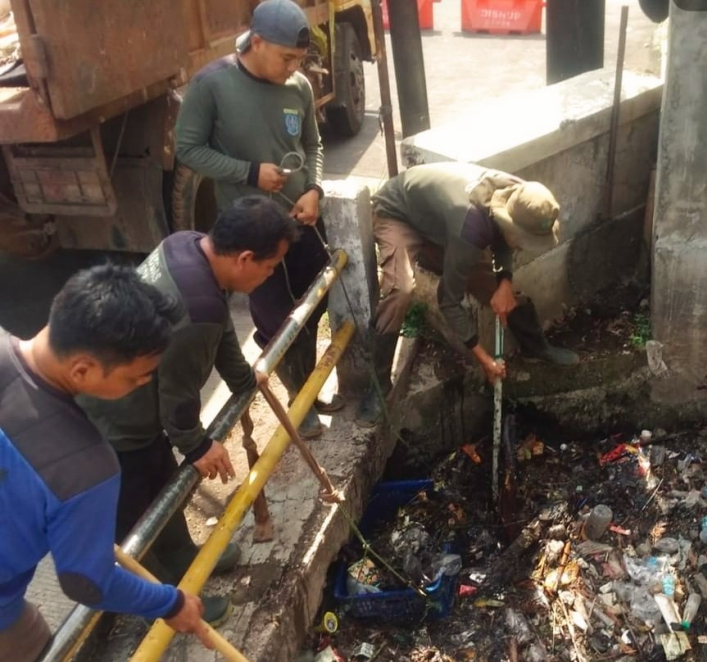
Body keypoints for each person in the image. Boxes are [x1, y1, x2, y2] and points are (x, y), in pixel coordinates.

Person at [79, 196, 298, 625]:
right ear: (245, 258)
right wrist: (198, 445)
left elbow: (218, 330)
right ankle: (161, 607)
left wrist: (240, 378)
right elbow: (177, 397)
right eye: (270, 267)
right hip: (115, 423)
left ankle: (183, 559)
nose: (270, 275)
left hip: (125, 396)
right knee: (135, 521)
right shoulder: (194, 310)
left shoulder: (188, 245)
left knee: (164, 488)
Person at [0, 265, 213, 662]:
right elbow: (87, 582)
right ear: (83, 369)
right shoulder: (86, 468)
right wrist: (170, 603)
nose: (144, 384)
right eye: (136, 377)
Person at [175, 0, 341, 439]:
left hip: (302, 222)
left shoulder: (299, 86)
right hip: (254, 230)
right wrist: (248, 172)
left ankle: (309, 384)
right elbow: (187, 150)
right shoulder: (212, 84)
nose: (293, 67)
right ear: (258, 41)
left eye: (299, 60)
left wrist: (314, 189)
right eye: (286, 57)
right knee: (274, 317)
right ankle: (298, 401)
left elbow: (314, 145)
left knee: (311, 306)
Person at [356, 162, 580, 427]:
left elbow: (506, 240)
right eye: (522, 240)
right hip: (398, 213)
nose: (523, 245)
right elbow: (447, 301)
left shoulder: (522, 196)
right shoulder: (472, 224)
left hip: (443, 221)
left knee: (498, 289)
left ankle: (536, 346)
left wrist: (505, 282)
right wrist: (484, 359)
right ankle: (379, 383)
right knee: (401, 290)